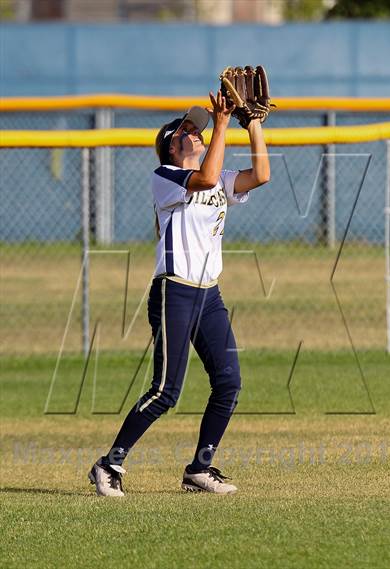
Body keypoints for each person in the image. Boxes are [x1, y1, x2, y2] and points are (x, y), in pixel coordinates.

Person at [89, 90, 270, 496]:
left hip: (209, 295)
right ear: (171, 146)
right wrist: (222, 123)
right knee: (166, 391)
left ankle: (199, 470)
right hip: (175, 290)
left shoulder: (219, 177)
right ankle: (109, 464)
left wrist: (253, 125)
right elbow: (204, 179)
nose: (197, 133)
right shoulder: (165, 178)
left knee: (229, 382)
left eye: (199, 130)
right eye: (187, 130)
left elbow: (261, 176)